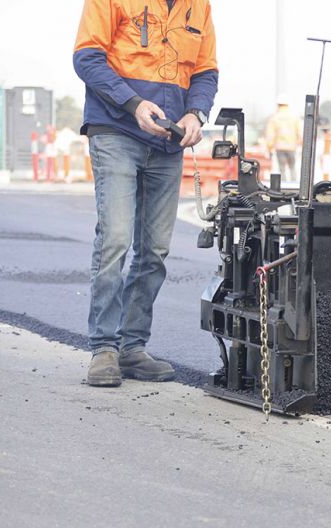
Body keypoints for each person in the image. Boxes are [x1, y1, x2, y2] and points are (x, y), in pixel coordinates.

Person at [73, 0, 218, 387]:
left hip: (168, 141)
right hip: (116, 129)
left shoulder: (197, 5)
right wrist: (133, 104)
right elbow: (87, 58)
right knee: (116, 239)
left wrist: (195, 113)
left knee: (154, 249)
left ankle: (132, 348)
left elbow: (205, 71)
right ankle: (104, 348)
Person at [265, 99, 303, 181]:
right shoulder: (294, 117)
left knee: (282, 169)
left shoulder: (274, 118)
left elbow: (270, 135)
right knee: (292, 168)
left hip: (280, 147)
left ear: (278, 105)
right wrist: (300, 144)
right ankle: (294, 187)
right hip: (292, 147)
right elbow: (300, 132)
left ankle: (284, 188)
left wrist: (269, 147)